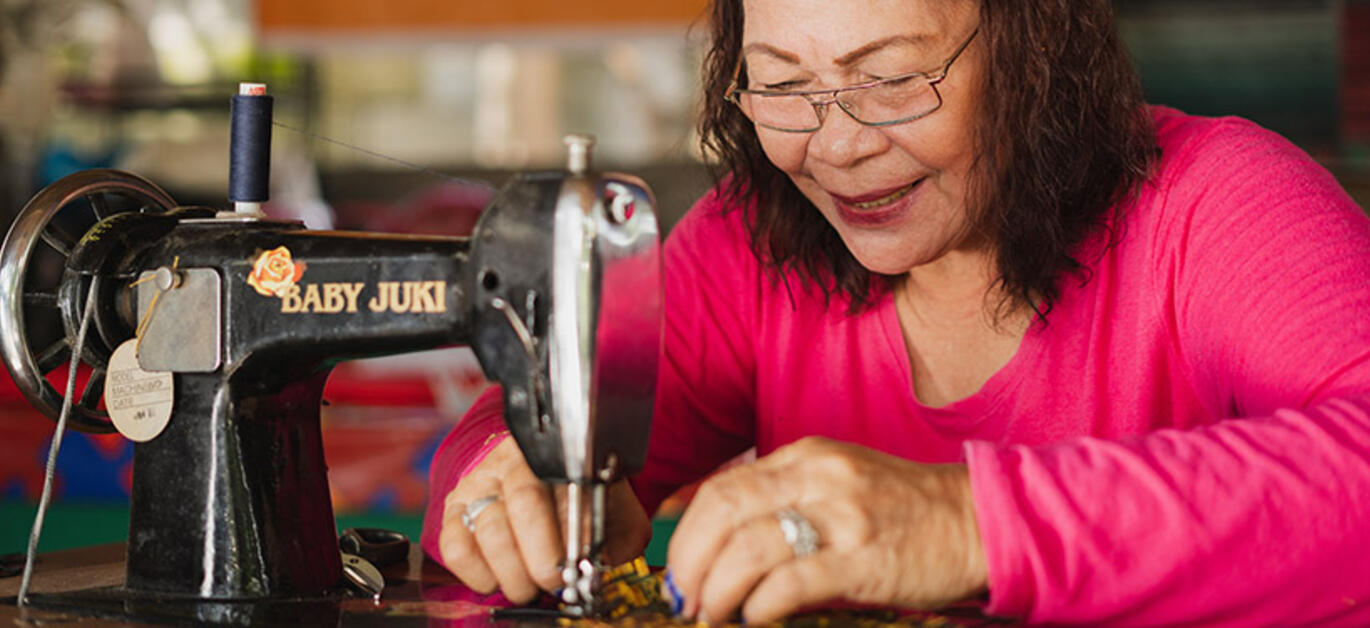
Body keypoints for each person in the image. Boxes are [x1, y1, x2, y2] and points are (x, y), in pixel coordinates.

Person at [423, 0, 1370, 625]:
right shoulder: (751, 242)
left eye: (890, 78)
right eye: (784, 86)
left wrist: (966, 524)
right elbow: (526, 427)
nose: (834, 145)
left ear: (1032, 49)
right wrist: (510, 483)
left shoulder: (1220, 201)